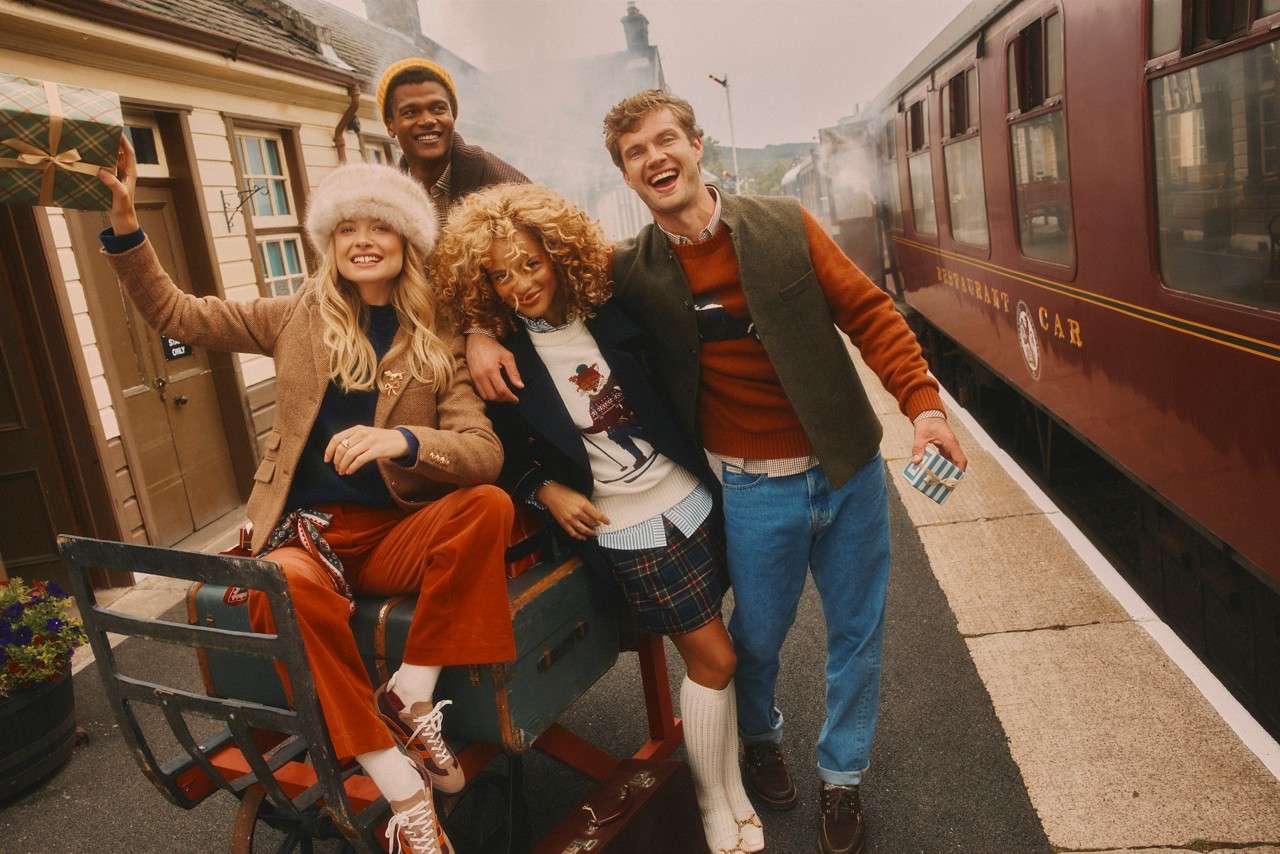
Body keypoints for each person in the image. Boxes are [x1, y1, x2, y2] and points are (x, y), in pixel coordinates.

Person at [466, 91, 969, 854]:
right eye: (636, 153)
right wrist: (475, 329)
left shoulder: (785, 226)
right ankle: (760, 740)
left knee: (858, 636)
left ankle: (843, 778)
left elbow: (869, 314)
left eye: (666, 141)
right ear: (628, 178)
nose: (655, 159)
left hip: (848, 471)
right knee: (756, 641)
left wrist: (923, 405)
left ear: (698, 146)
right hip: (751, 486)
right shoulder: (626, 272)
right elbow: (528, 280)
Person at [98, 139, 514, 854]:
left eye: (378, 226)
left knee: (489, 506)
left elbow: (484, 454)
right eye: (346, 228)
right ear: (328, 241)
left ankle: (413, 695)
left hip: (391, 536)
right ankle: (402, 792)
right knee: (286, 586)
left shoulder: (437, 337)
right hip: (307, 538)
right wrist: (128, 227)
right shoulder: (292, 318)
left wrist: (404, 443)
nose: (362, 241)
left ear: (406, 240)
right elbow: (178, 314)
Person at [433, 183, 762, 854]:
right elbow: (499, 451)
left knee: (717, 656)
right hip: (623, 526)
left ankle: (733, 792)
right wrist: (543, 489)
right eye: (500, 273)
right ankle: (711, 805)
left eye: (529, 263)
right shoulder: (498, 353)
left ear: (558, 253)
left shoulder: (609, 307)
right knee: (715, 657)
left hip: (692, 497)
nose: (520, 283)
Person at [377, 57, 529, 227]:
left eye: (438, 109)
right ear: (390, 125)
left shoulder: (493, 177)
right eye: (411, 112)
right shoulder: (389, 197)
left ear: (453, 116)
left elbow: (554, 232)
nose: (427, 120)